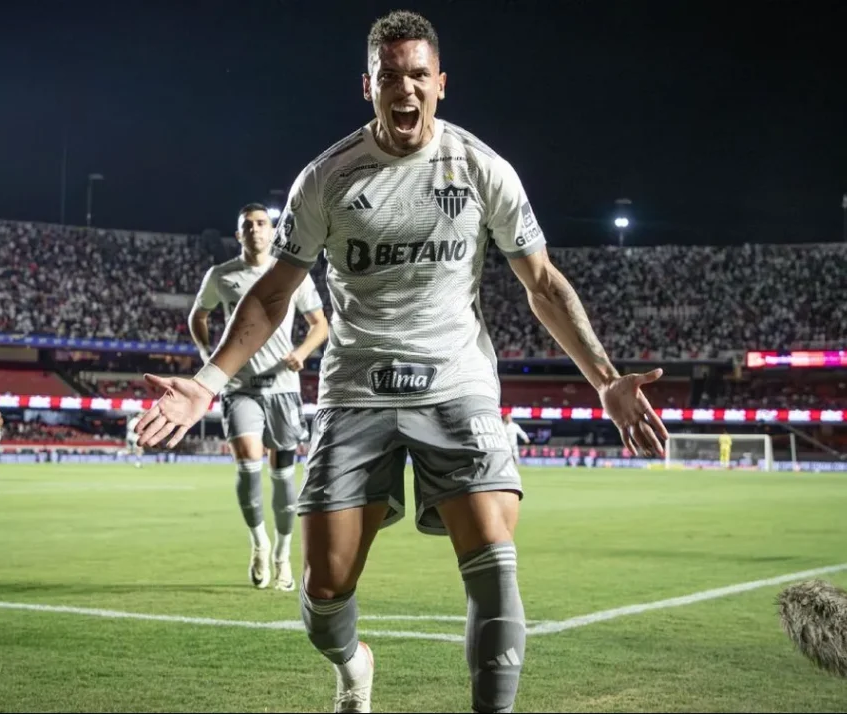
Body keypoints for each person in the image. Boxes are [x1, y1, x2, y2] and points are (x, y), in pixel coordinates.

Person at [135, 10, 668, 713]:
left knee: (495, 571)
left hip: (458, 385)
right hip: (356, 391)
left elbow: (541, 283)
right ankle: (353, 666)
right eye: (391, 76)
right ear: (369, 86)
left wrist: (605, 379)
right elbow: (271, 297)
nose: (405, 89)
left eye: (419, 75)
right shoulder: (326, 178)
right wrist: (205, 386)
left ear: (441, 84)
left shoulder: (481, 168)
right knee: (323, 594)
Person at [189, 203, 329, 591]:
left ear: (272, 231)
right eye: (247, 225)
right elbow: (198, 316)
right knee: (249, 460)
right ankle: (258, 544)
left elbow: (320, 325)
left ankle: (284, 553)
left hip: (283, 386)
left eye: (261, 223)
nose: (254, 229)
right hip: (239, 387)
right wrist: (208, 356)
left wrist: (301, 353)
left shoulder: (291, 275)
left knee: (283, 475)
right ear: (239, 235)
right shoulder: (222, 276)